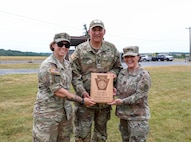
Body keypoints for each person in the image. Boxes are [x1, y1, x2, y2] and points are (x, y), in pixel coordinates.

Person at [32, 32, 95, 142]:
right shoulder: (49, 65)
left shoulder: (67, 64)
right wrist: (82, 100)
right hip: (48, 115)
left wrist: (83, 92)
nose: (63, 47)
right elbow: (58, 91)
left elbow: (75, 79)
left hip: (65, 113)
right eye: (60, 44)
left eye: (67, 45)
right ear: (53, 45)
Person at [70, 19, 122, 142]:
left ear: (104, 32)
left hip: (104, 103)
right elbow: (74, 74)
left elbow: (118, 68)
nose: (97, 33)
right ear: (89, 32)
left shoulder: (112, 49)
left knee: (101, 135)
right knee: (82, 136)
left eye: (100, 30)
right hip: (85, 102)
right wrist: (82, 92)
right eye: (94, 30)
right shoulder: (80, 50)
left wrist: (113, 74)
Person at [109, 46, 151, 142]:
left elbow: (140, 96)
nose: (129, 59)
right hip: (124, 116)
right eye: (126, 57)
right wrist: (115, 91)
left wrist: (122, 101)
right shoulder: (123, 73)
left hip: (138, 118)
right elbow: (121, 89)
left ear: (138, 57)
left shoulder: (143, 75)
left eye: (132, 56)